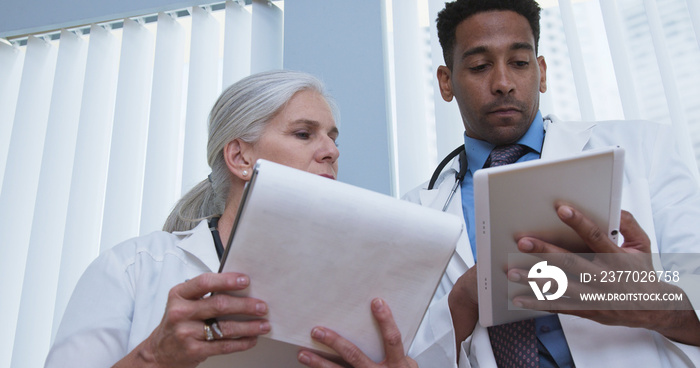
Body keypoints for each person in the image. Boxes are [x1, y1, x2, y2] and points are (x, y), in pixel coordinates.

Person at [45, 70, 416, 368]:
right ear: (240, 158)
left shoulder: (361, 291)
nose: (332, 151)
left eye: (334, 139)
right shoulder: (134, 270)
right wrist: (153, 358)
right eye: (304, 134)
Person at [403, 1, 700, 367]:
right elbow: (408, 354)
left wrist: (655, 306)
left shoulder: (644, 150)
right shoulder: (413, 215)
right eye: (480, 66)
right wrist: (463, 300)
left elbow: (694, 284)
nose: (503, 83)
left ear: (541, 72)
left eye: (520, 63)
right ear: (446, 83)